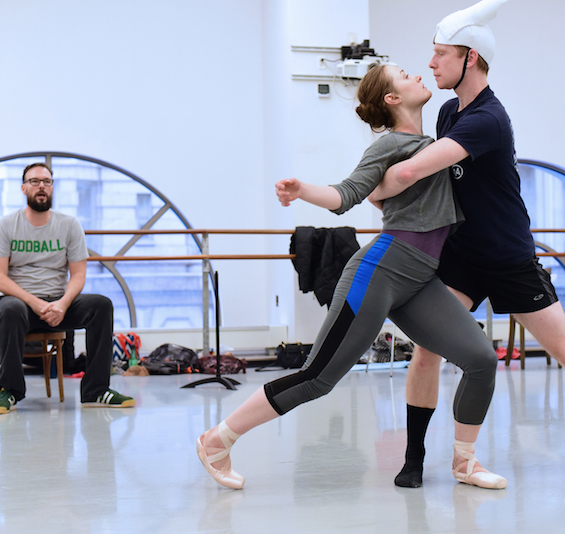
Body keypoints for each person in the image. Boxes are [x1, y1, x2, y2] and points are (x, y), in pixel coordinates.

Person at [368, 0, 565, 488]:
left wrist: (364, 187)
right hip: (460, 256)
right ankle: (415, 458)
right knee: (426, 352)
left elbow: (413, 171)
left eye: (441, 54)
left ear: (471, 59)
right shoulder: (445, 112)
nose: (431, 63)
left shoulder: (488, 119)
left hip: (507, 256)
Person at [197, 63, 505, 490]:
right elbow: (346, 194)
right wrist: (302, 189)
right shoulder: (389, 145)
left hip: (421, 278)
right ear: (393, 99)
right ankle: (217, 439)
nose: (418, 74)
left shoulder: (434, 143)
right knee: (317, 377)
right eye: (405, 74)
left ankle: (465, 462)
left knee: (481, 360)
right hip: (379, 271)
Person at [0, 162, 134, 414]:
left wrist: (62, 304)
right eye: (34, 181)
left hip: (58, 303)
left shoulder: (69, 225)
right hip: (21, 303)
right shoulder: (5, 225)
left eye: (47, 181)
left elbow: (78, 275)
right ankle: (9, 391)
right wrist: (35, 302)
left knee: (101, 305)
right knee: (9, 308)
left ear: (52, 188)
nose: (41, 186)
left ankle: (95, 390)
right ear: (23, 188)